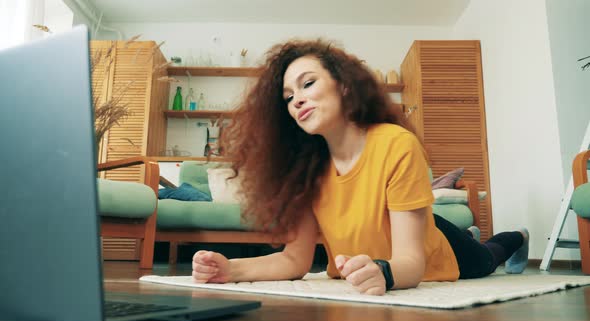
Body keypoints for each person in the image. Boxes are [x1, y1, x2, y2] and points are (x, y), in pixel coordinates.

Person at [191, 39, 529, 296]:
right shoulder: (305, 170)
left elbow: (410, 265)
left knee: (488, 258)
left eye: (307, 84)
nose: (296, 100)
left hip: (435, 253)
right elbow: (295, 260)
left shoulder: (396, 144)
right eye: (288, 96)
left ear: (344, 85)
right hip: (401, 233)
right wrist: (229, 269)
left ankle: (518, 236)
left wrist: (384, 271)